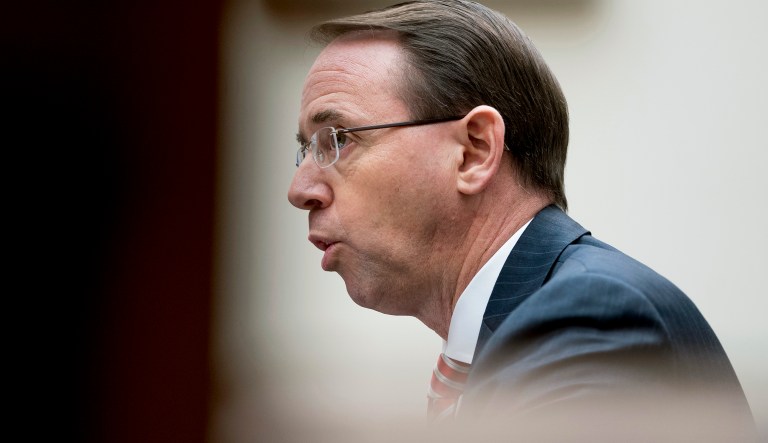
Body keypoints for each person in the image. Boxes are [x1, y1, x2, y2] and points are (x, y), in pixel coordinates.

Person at [287, 0, 754, 440]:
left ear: (474, 151)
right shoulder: (524, 330)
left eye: (337, 139)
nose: (300, 190)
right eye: (305, 149)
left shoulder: (591, 318)